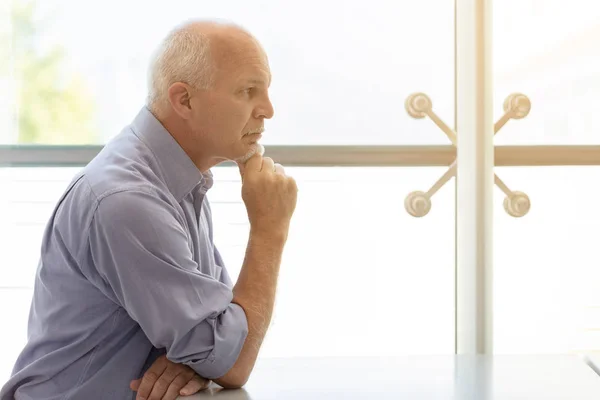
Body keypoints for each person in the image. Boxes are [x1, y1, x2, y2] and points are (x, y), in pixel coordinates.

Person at [1, 20, 297, 400]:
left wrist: (196, 356)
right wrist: (270, 229)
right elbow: (233, 362)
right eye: (247, 91)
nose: (268, 110)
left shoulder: (175, 179)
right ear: (184, 100)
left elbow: (221, 332)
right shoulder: (129, 201)